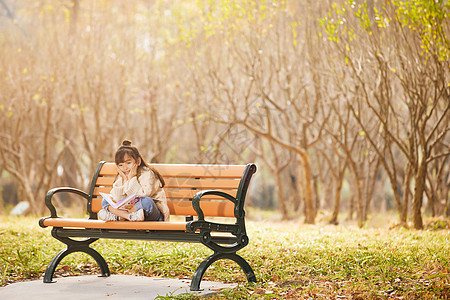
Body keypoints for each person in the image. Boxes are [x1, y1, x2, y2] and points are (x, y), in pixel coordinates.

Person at [98, 140, 170, 222]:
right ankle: (127, 216)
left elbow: (143, 195)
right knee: (105, 201)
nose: (125, 168)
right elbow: (118, 199)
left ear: (138, 161)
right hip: (131, 212)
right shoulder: (121, 176)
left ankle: (118, 216)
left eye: (128, 163)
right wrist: (124, 180)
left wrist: (132, 178)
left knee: (146, 201)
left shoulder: (147, 174)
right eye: (120, 165)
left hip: (150, 213)